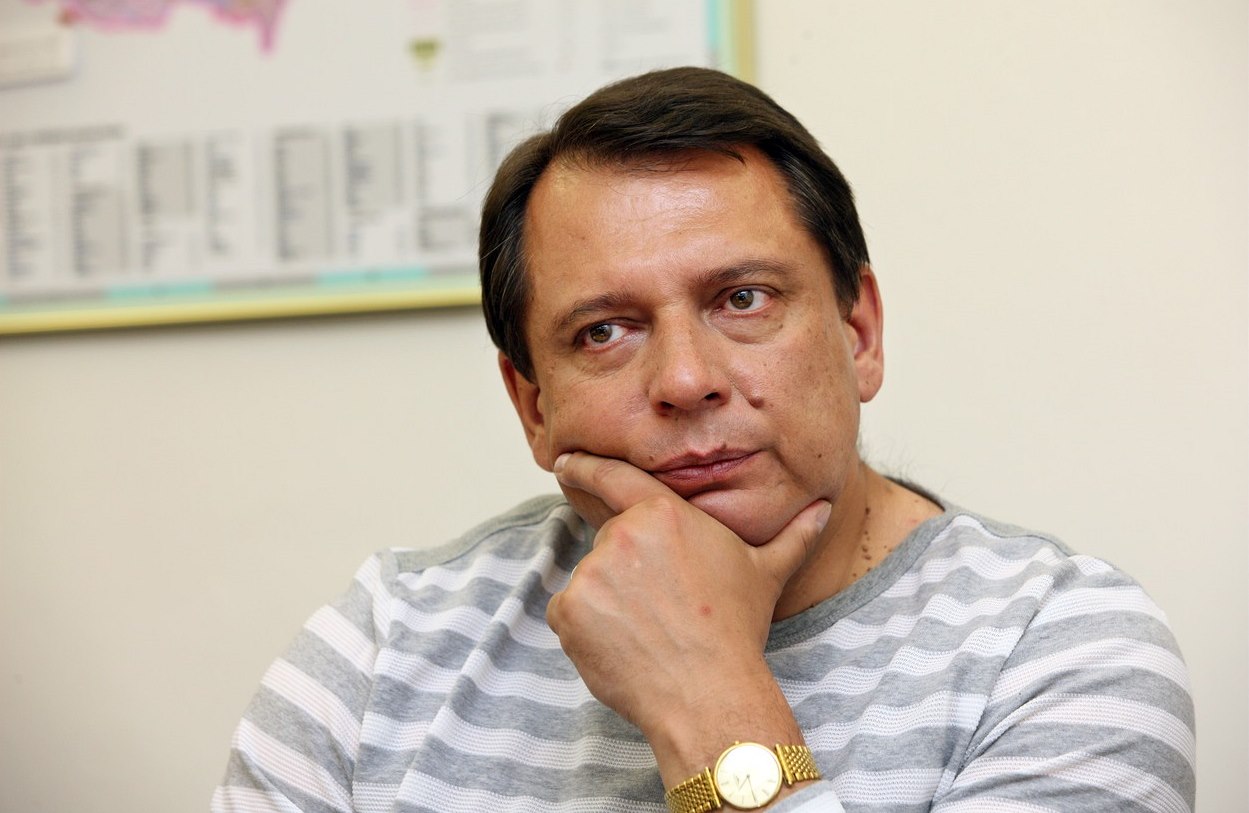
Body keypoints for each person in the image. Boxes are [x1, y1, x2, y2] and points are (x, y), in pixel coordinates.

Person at [213, 67, 1195, 812]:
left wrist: (706, 693)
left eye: (743, 299)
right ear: (532, 405)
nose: (686, 381)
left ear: (858, 333)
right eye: (604, 330)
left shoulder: (1062, 649)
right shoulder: (385, 642)